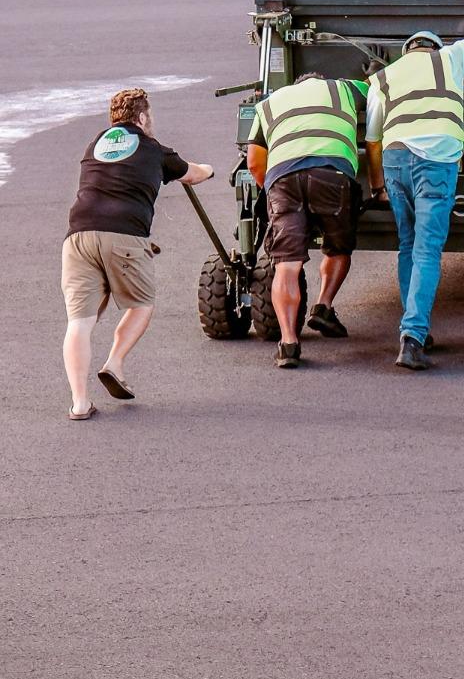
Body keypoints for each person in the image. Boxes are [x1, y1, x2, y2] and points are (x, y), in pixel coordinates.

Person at [366, 0, 464, 371]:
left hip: (395, 159)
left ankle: (415, 326)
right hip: (435, 160)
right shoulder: (450, 59)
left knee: (408, 244)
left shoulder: (383, 78)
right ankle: (412, 335)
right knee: (426, 249)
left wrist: (377, 187)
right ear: (434, 48)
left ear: (406, 52)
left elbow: (373, 138)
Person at [61, 87, 213, 420]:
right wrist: (208, 167)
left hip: (78, 236)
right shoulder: (154, 149)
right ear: (142, 117)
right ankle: (114, 362)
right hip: (124, 235)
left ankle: (79, 403)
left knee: (80, 323)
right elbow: (193, 174)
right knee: (141, 305)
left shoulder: (95, 145)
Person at [246, 72, 370, 368]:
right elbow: (380, 92)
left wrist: (272, 189)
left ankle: (288, 343)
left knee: (286, 265)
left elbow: (253, 161)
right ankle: (323, 305)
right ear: (320, 81)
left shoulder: (269, 103)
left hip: (283, 178)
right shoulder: (344, 88)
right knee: (338, 247)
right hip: (332, 173)